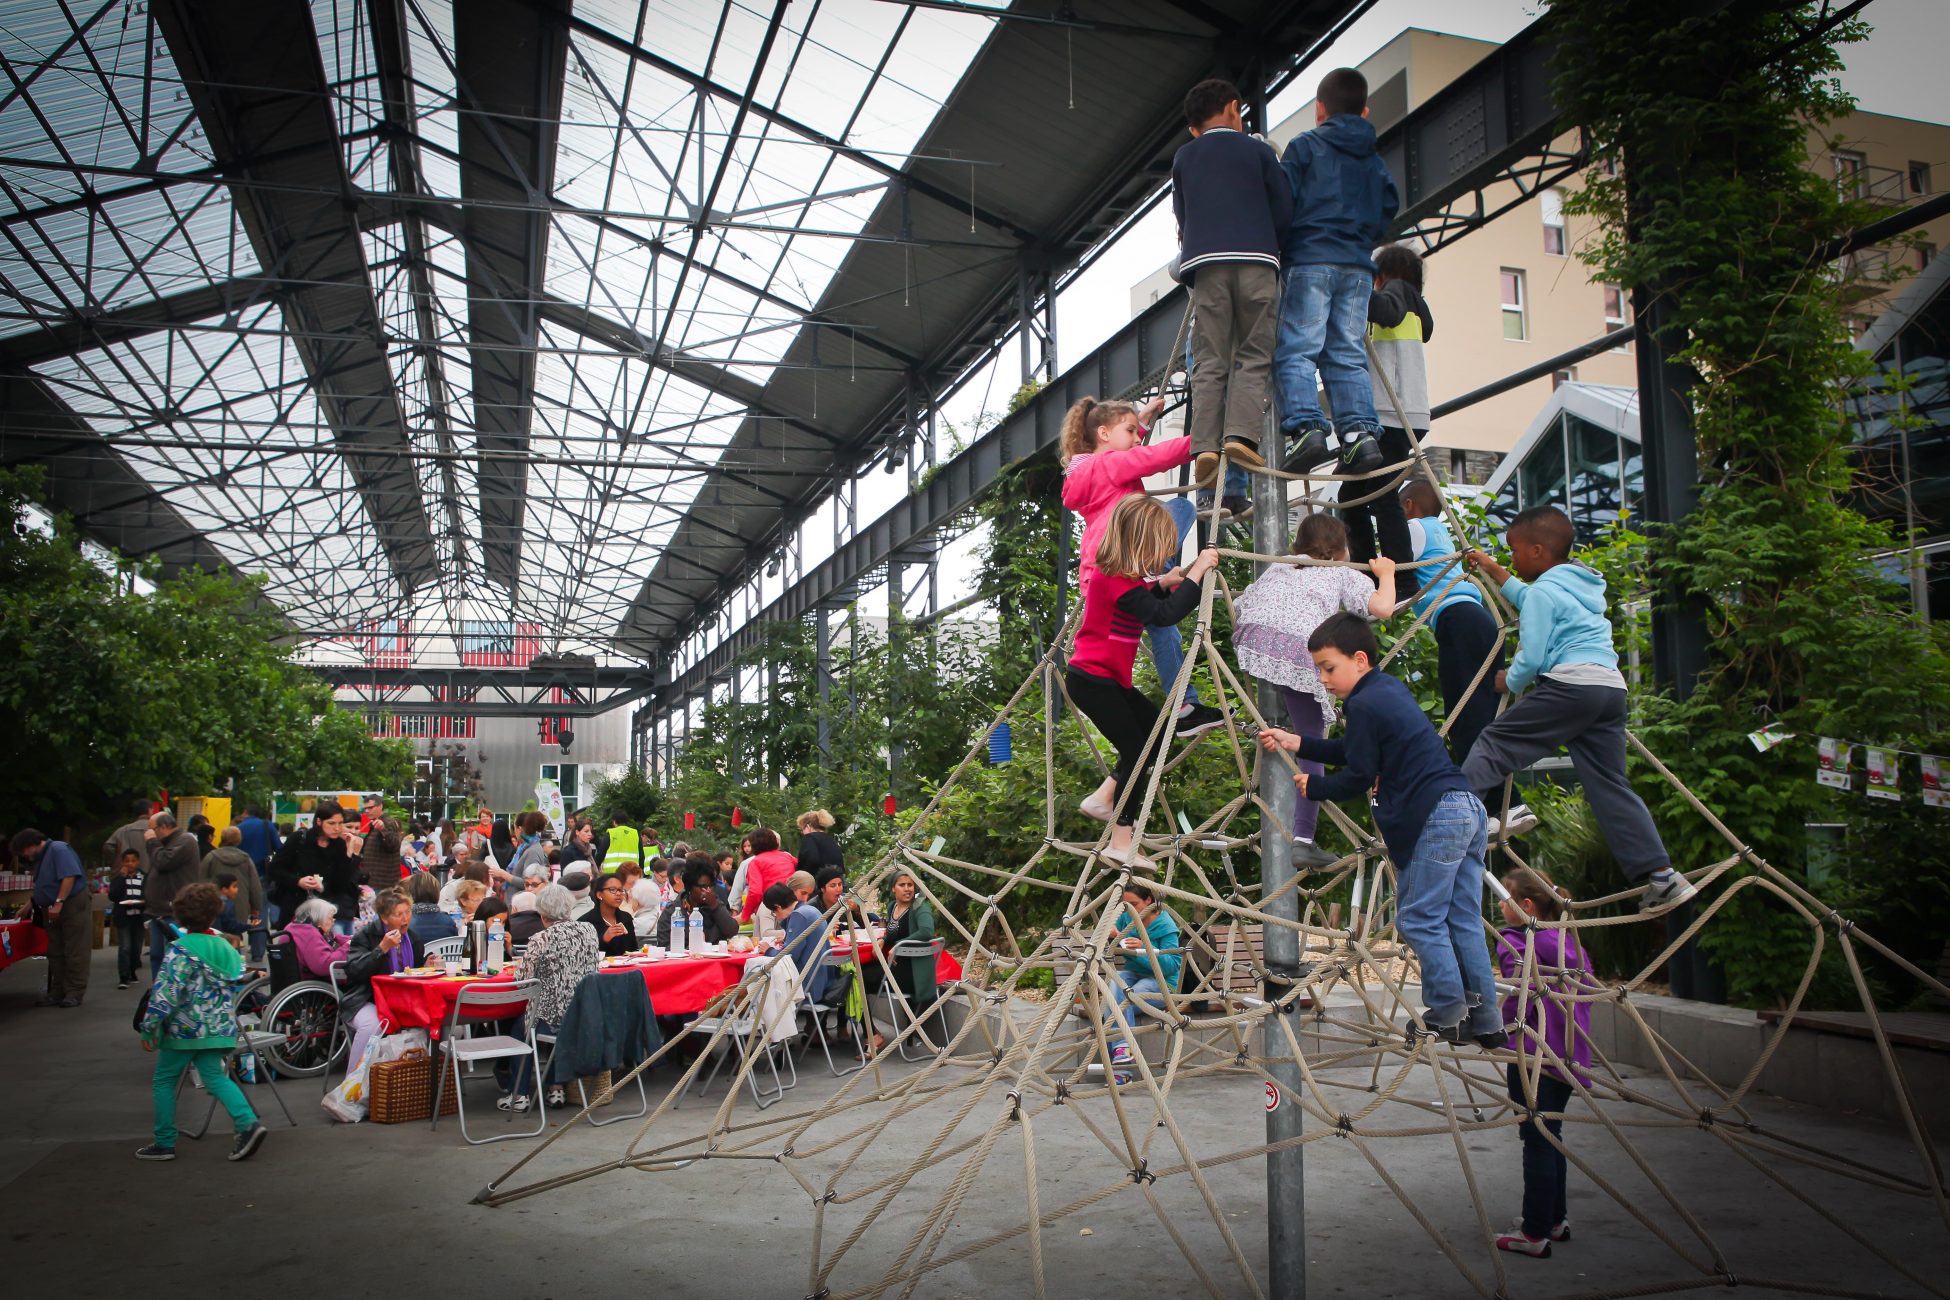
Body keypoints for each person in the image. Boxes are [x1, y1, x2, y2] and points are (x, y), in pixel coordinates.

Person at [1257, 612, 1502, 1045]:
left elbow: (1358, 771)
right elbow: (1356, 750)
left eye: (1328, 668)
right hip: (1466, 808)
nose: (1323, 678)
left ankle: (1446, 1010)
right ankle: (1485, 1019)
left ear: (1360, 660)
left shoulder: (1364, 703)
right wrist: (1300, 742)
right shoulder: (1387, 691)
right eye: (1318, 669)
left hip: (1437, 815)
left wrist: (1316, 786)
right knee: (1462, 917)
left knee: (1420, 919)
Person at [1463, 506, 1693, 912]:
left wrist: (1510, 681)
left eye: (1514, 551)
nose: (1512, 559)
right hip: (1609, 691)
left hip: (1570, 686)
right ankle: (1661, 876)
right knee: (1610, 785)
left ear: (1536, 550)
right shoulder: (1577, 586)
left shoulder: (1544, 593)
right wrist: (1495, 570)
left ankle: (1450, 821)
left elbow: (1531, 656)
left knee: (1493, 744)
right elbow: (1529, 595)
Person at [1233, 512, 1398, 867]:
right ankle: (1303, 839)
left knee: (1302, 713)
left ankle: (1302, 837)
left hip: (1257, 637)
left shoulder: (1281, 566)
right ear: (1341, 550)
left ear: (1299, 545)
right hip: (1298, 647)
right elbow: (1383, 609)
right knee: (1313, 739)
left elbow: (1239, 604)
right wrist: (1386, 575)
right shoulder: (1341, 572)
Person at [1067, 495, 1222, 870]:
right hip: (1093, 681)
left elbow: (1141, 603)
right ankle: (1122, 840)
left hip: (1106, 680)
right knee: (1138, 747)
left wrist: (1163, 582)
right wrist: (1197, 570)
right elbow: (1164, 615)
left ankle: (1104, 797)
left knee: (1153, 736)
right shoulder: (1114, 578)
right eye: (1160, 550)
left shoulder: (1123, 581)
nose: (1162, 556)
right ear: (1141, 544)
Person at [1060, 395, 1225, 740]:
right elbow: (1153, 457)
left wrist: (1141, 421)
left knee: (1161, 627)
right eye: (1131, 431)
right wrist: (1208, 440)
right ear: (1104, 434)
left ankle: (1183, 706)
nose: (1137, 438)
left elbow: (1132, 448)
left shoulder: (1086, 470)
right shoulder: (1111, 465)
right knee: (1181, 507)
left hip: (1099, 571)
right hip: (1124, 561)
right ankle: (1183, 707)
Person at [1276, 67, 1398, 476]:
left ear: (1319, 109)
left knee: (1298, 347)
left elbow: (1282, 203)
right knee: (1347, 352)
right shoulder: (1373, 159)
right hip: (1358, 266)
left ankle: (1307, 429)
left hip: (1310, 257)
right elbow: (1387, 206)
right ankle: (1358, 437)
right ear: (1364, 112)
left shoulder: (1304, 147)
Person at [1171, 77, 1290, 484]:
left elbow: (1182, 217)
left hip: (1206, 266)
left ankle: (1204, 444)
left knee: (1210, 358)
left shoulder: (1185, 157)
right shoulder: (1257, 151)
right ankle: (1241, 435)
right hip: (1257, 260)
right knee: (1255, 351)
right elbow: (1283, 208)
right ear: (1235, 108)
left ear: (1193, 127)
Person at [1493, 868, 1595, 1258]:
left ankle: (1534, 1232)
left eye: (1505, 898)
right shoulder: (1569, 940)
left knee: (1536, 1138)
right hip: (1568, 1056)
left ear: (1526, 906)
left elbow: (1514, 979)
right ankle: (1555, 1217)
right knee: (1551, 1135)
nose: (1500, 906)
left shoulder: (1523, 944)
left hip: (1535, 1055)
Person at [136, 881, 266, 1163]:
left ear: (179, 915)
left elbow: (166, 994)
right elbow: (238, 977)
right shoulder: (226, 947)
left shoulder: (179, 950)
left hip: (182, 1029)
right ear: (215, 912)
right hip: (219, 1028)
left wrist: (149, 1027)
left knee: (165, 1080)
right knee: (215, 1078)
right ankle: (247, 1123)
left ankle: (164, 1141)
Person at [1340, 243, 1434, 595]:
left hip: (1391, 416)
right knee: (1352, 494)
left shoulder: (1398, 293)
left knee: (1378, 495)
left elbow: (1383, 308)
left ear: (1381, 275)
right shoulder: (1409, 303)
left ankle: (1401, 578)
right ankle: (1368, 573)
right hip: (1396, 415)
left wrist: (1352, 279)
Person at [1399, 478, 1506, 768]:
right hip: (1481, 621)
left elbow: (1392, 564)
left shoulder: (1414, 528)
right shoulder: (1441, 532)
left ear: (1408, 507)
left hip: (1457, 619)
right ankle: (1508, 803)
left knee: (1463, 715)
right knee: (1485, 714)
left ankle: (1491, 799)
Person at [511, 882, 601, 1108]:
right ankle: (556, 1088)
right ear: (569, 908)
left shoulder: (541, 939)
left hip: (551, 1020)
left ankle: (519, 1095)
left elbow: (521, 982)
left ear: (542, 913)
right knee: (551, 1021)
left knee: (519, 1029)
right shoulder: (589, 930)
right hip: (583, 1016)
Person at [339, 887, 423, 1072]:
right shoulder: (366, 936)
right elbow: (354, 970)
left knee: (432, 1020)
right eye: (398, 914)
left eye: (408, 912)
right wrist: (381, 949)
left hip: (401, 999)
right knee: (373, 1025)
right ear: (384, 918)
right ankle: (352, 1081)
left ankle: (416, 1080)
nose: (405, 918)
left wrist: (429, 964)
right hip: (365, 998)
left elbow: (417, 971)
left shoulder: (413, 939)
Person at [1105, 881, 1182, 1069]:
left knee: (1121, 1000)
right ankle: (1123, 1053)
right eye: (1126, 905)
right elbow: (1116, 949)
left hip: (1162, 984)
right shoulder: (1126, 920)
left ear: (1148, 900)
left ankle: (1122, 1063)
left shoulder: (1165, 925)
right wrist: (1114, 938)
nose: (1129, 910)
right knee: (1114, 985)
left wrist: (1144, 948)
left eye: (1134, 904)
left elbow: (1171, 966)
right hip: (1135, 975)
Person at [11, 829, 92, 1006]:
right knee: (55, 950)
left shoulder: (58, 849)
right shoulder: (43, 857)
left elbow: (69, 876)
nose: (25, 855)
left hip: (70, 902)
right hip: (52, 906)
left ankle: (74, 991)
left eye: (24, 850)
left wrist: (59, 902)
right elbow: (45, 884)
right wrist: (29, 904)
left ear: (32, 844)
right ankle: (58, 989)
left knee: (74, 948)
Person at [858, 869, 936, 1052]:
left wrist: (899, 945)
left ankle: (871, 1034)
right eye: (902, 885)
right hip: (895, 965)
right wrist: (884, 939)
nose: (907, 889)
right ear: (893, 888)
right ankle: (869, 1031)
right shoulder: (893, 906)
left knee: (856, 981)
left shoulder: (919, 907)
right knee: (857, 972)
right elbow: (892, 932)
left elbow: (926, 932)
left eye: (910, 885)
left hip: (911, 973)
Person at [267, 805, 360, 936]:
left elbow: (340, 885)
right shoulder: (299, 839)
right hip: (295, 908)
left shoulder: (339, 845)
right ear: (319, 822)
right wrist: (298, 881)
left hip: (324, 914)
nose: (337, 828)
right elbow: (274, 870)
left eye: (340, 823)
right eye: (331, 823)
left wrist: (349, 854)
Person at [143, 811, 206, 977]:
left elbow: (164, 862)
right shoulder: (166, 842)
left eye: (153, 829)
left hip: (173, 910)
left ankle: (171, 992)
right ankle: (158, 990)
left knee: (172, 955)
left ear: (164, 827)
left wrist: (151, 842)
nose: (150, 833)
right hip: (158, 910)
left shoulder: (185, 841)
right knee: (157, 954)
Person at [759, 881, 832, 1004]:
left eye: (774, 912)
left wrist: (768, 950)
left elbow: (789, 957)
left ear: (778, 907)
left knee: (760, 980)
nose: (775, 915)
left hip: (807, 986)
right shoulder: (810, 910)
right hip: (823, 981)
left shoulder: (799, 915)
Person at [204, 826, 265, 964]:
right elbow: (255, 885)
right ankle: (234, 962)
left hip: (214, 904)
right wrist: (256, 906)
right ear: (238, 839)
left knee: (217, 934)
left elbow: (201, 879)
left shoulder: (211, 857)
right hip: (241, 904)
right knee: (235, 933)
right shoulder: (245, 858)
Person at [656, 860, 741, 948]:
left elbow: (731, 931)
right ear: (689, 888)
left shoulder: (715, 904)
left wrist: (715, 906)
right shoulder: (673, 911)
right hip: (686, 959)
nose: (707, 891)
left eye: (711, 886)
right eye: (702, 887)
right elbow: (664, 946)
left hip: (715, 959)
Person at [736, 828, 799, 924]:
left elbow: (755, 892)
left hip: (771, 907)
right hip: (793, 903)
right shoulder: (787, 856)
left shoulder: (756, 862)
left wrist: (744, 915)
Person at [282, 897, 351, 979]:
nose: (333, 922)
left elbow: (334, 938)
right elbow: (324, 965)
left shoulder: (296, 926)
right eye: (330, 918)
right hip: (313, 982)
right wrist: (347, 946)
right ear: (319, 919)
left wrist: (354, 940)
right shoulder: (308, 933)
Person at [108, 847, 148, 989]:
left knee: (136, 947)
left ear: (138, 861)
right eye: (127, 861)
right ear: (123, 862)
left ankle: (132, 971)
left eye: (133, 861)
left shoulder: (144, 876)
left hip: (139, 916)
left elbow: (148, 895)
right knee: (125, 947)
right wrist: (122, 877)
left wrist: (143, 902)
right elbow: (112, 895)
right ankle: (123, 976)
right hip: (123, 917)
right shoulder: (118, 877)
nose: (130, 864)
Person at [583, 872, 637, 957]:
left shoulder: (626, 918)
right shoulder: (585, 922)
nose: (618, 894)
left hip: (627, 967)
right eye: (612, 890)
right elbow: (584, 954)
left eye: (620, 890)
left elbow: (633, 949)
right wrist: (604, 939)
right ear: (599, 894)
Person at [405, 869, 457, 951]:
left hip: (417, 963)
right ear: (436, 893)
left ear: (411, 892)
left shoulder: (406, 923)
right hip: (445, 962)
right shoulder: (448, 922)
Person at [793, 810, 844, 875]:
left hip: (819, 882)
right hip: (837, 881)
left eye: (802, 829)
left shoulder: (810, 838)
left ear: (808, 826)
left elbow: (810, 860)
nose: (802, 832)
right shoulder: (831, 840)